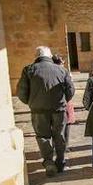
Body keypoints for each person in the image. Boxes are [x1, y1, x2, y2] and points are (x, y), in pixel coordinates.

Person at [17, 46, 75, 176]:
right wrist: (63, 100)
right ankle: (60, 161)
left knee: (43, 136)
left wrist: (31, 102)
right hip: (58, 109)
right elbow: (70, 90)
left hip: (38, 110)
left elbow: (21, 92)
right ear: (49, 56)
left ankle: (48, 162)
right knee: (59, 135)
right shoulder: (61, 70)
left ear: (36, 56)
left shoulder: (29, 70)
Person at [51, 54, 76, 154]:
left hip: (53, 102)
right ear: (61, 63)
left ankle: (54, 146)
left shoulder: (50, 73)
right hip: (65, 101)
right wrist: (67, 99)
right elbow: (71, 88)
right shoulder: (65, 72)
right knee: (67, 125)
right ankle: (65, 146)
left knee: (54, 126)